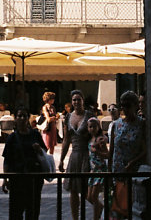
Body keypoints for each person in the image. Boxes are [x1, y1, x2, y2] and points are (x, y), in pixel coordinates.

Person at [2, 106, 47, 220]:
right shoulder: (12, 137)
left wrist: (39, 150)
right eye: (19, 116)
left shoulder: (35, 135)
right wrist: (5, 178)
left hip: (34, 178)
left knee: (33, 210)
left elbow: (44, 152)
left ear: (28, 118)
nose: (22, 118)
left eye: (24, 116)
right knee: (16, 211)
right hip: (17, 178)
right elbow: (7, 159)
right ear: (15, 118)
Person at [109, 91, 146, 219]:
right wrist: (109, 173)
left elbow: (145, 149)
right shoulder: (117, 125)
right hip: (118, 172)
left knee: (133, 209)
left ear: (135, 105)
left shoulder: (142, 124)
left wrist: (132, 163)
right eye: (122, 105)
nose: (124, 108)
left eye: (127, 105)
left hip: (134, 172)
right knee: (118, 208)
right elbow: (112, 150)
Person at [58, 89, 92, 220]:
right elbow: (66, 139)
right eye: (74, 100)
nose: (76, 102)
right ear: (71, 102)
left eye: (78, 99)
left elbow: (96, 135)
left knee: (84, 189)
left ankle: (90, 213)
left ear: (83, 100)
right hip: (74, 155)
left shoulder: (89, 115)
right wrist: (61, 159)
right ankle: (75, 218)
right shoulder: (68, 117)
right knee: (73, 189)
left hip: (86, 154)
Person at [85, 117, 109, 220]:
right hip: (93, 170)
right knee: (89, 197)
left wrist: (97, 152)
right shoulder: (90, 139)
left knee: (94, 197)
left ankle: (96, 217)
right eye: (90, 127)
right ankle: (102, 209)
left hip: (100, 170)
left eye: (94, 126)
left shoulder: (100, 139)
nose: (92, 129)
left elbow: (107, 155)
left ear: (98, 127)